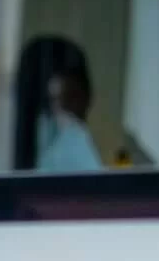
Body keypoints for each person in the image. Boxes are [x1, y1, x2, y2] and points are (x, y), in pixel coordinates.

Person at [13, 34, 103, 173]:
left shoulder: (74, 139)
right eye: (59, 100)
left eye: (78, 96)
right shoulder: (66, 142)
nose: (79, 106)